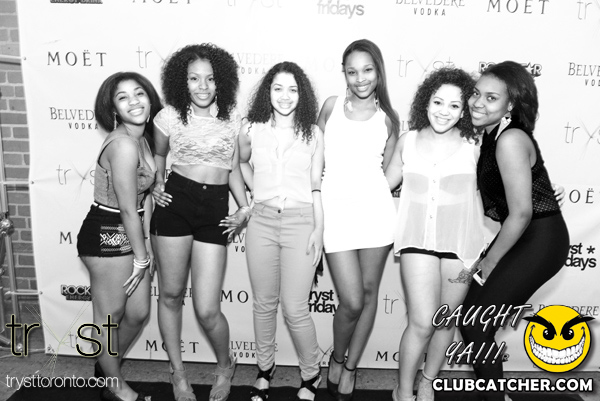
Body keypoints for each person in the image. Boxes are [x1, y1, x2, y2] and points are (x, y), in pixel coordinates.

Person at [460, 61, 570, 401]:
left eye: (491, 98)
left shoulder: (509, 139)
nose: (478, 102)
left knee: (476, 323)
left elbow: (521, 213)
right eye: (476, 93)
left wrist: (488, 263)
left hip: (540, 239)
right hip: (525, 235)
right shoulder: (492, 135)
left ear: (510, 105)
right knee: (471, 321)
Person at [150, 43, 250, 401]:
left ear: (221, 81)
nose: (203, 86)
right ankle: (177, 374)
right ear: (183, 82)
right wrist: (157, 182)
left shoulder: (233, 118)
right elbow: (159, 156)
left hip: (214, 210)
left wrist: (244, 207)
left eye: (209, 78)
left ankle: (225, 366)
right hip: (176, 204)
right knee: (171, 294)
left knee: (207, 309)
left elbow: (233, 167)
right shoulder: (168, 117)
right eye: (194, 79)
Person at [385, 68, 485, 401]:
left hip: (462, 248)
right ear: (425, 102)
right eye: (438, 102)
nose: (444, 111)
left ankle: (428, 380)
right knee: (422, 322)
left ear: (464, 110)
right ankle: (403, 391)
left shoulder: (476, 145)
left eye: (454, 105)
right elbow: (382, 186)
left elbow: (506, 185)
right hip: (417, 243)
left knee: (445, 322)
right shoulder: (408, 141)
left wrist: (544, 190)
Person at [316, 39, 400, 401]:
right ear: (344, 74)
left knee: (368, 294)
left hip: (375, 213)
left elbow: (389, 171)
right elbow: (314, 158)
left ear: (378, 71)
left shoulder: (389, 119)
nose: (360, 78)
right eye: (352, 71)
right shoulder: (331, 107)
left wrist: (371, 191)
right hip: (335, 212)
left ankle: (350, 367)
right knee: (350, 300)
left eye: (367, 70)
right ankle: (337, 357)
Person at [239, 61, 325, 401]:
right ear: (268, 92)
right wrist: (257, 192)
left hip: (301, 222)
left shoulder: (313, 134)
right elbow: (239, 163)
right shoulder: (252, 128)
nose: (285, 96)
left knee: (295, 307)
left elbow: (316, 186)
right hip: (261, 221)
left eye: (292, 89)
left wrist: (319, 228)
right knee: (263, 304)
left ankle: (311, 374)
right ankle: (264, 371)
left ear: (301, 95)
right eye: (278, 88)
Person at [77, 71, 161, 401]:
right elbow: (127, 207)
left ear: (150, 99)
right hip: (106, 233)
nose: (134, 102)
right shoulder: (124, 144)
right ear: (113, 108)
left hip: (131, 231)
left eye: (139, 94)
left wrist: (147, 245)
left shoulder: (142, 138)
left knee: (137, 313)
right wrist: (142, 257)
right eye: (123, 97)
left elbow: (145, 198)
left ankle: (105, 366)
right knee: (109, 317)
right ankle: (115, 386)